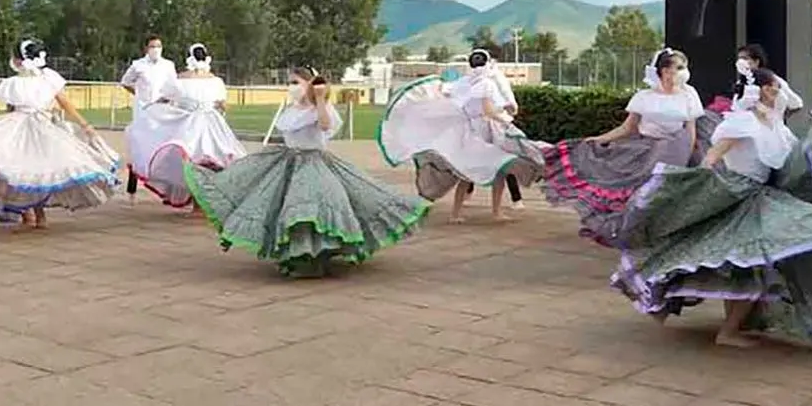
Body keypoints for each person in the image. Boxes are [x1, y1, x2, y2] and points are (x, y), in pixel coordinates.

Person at [609, 68, 812, 349]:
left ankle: (734, 327)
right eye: (774, 88)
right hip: (739, 197)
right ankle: (728, 331)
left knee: (757, 261)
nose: (779, 93)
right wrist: (696, 190)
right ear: (762, 90)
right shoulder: (741, 122)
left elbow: (785, 151)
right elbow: (711, 159)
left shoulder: (771, 123)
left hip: (763, 197)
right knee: (742, 262)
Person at [184, 65, 428, 277]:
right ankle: (296, 255)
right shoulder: (291, 110)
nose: (291, 87)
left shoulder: (318, 108)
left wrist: (320, 98)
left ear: (308, 85)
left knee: (312, 209)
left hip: (314, 162)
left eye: (295, 82)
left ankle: (314, 257)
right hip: (286, 161)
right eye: (289, 82)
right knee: (279, 207)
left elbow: (325, 125)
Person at [0, 39, 119, 228]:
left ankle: (31, 216)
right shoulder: (35, 80)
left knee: (24, 171)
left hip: (30, 127)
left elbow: (19, 108)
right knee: (32, 171)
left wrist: (84, 125)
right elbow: (60, 103)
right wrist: (84, 124)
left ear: (21, 60)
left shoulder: (26, 81)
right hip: (34, 126)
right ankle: (34, 216)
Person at [542, 47, 705, 246]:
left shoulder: (689, 95)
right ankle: (633, 230)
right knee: (634, 188)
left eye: (683, 67)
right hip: (645, 149)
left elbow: (691, 130)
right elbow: (628, 127)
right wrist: (599, 139)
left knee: (665, 191)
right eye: (678, 68)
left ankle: (663, 233)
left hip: (676, 150)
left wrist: (690, 156)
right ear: (664, 71)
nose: (682, 72)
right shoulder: (644, 97)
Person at [376, 49, 543, 223]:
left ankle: (458, 213)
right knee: (498, 169)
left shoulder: (465, 82)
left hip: (471, 130)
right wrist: (505, 115)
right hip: (487, 130)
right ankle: (494, 212)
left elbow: (452, 95)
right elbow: (488, 110)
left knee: (469, 171)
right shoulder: (487, 83)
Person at [124, 43, 245, 210]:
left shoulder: (181, 80)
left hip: (190, 123)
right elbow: (223, 105)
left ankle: (198, 203)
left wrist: (153, 110)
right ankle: (203, 203)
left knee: (192, 161)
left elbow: (167, 97)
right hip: (213, 123)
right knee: (213, 161)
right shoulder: (216, 81)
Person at [118, 35, 178, 202]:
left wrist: (168, 98)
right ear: (146, 48)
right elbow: (125, 82)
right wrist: (139, 95)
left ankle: (169, 191)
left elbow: (174, 86)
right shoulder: (138, 65)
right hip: (143, 112)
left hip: (163, 111)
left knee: (166, 150)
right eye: (152, 46)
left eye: (159, 46)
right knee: (139, 148)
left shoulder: (168, 65)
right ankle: (132, 188)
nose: (156, 49)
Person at [733, 43, 802, 116]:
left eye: (745, 58)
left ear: (756, 61)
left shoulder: (773, 80)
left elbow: (796, 104)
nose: (740, 62)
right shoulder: (740, 82)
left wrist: (777, 117)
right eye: (739, 58)